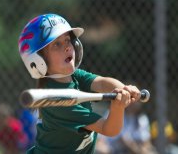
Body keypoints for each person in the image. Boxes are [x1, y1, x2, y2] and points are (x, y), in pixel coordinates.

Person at [18, 13, 141, 154]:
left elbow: (101, 83)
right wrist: (118, 107)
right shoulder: (59, 103)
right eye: (57, 44)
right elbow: (109, 129)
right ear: (38, 60)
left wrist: (123, 89)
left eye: (67, 40)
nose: (67, 47)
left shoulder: (75, 76)